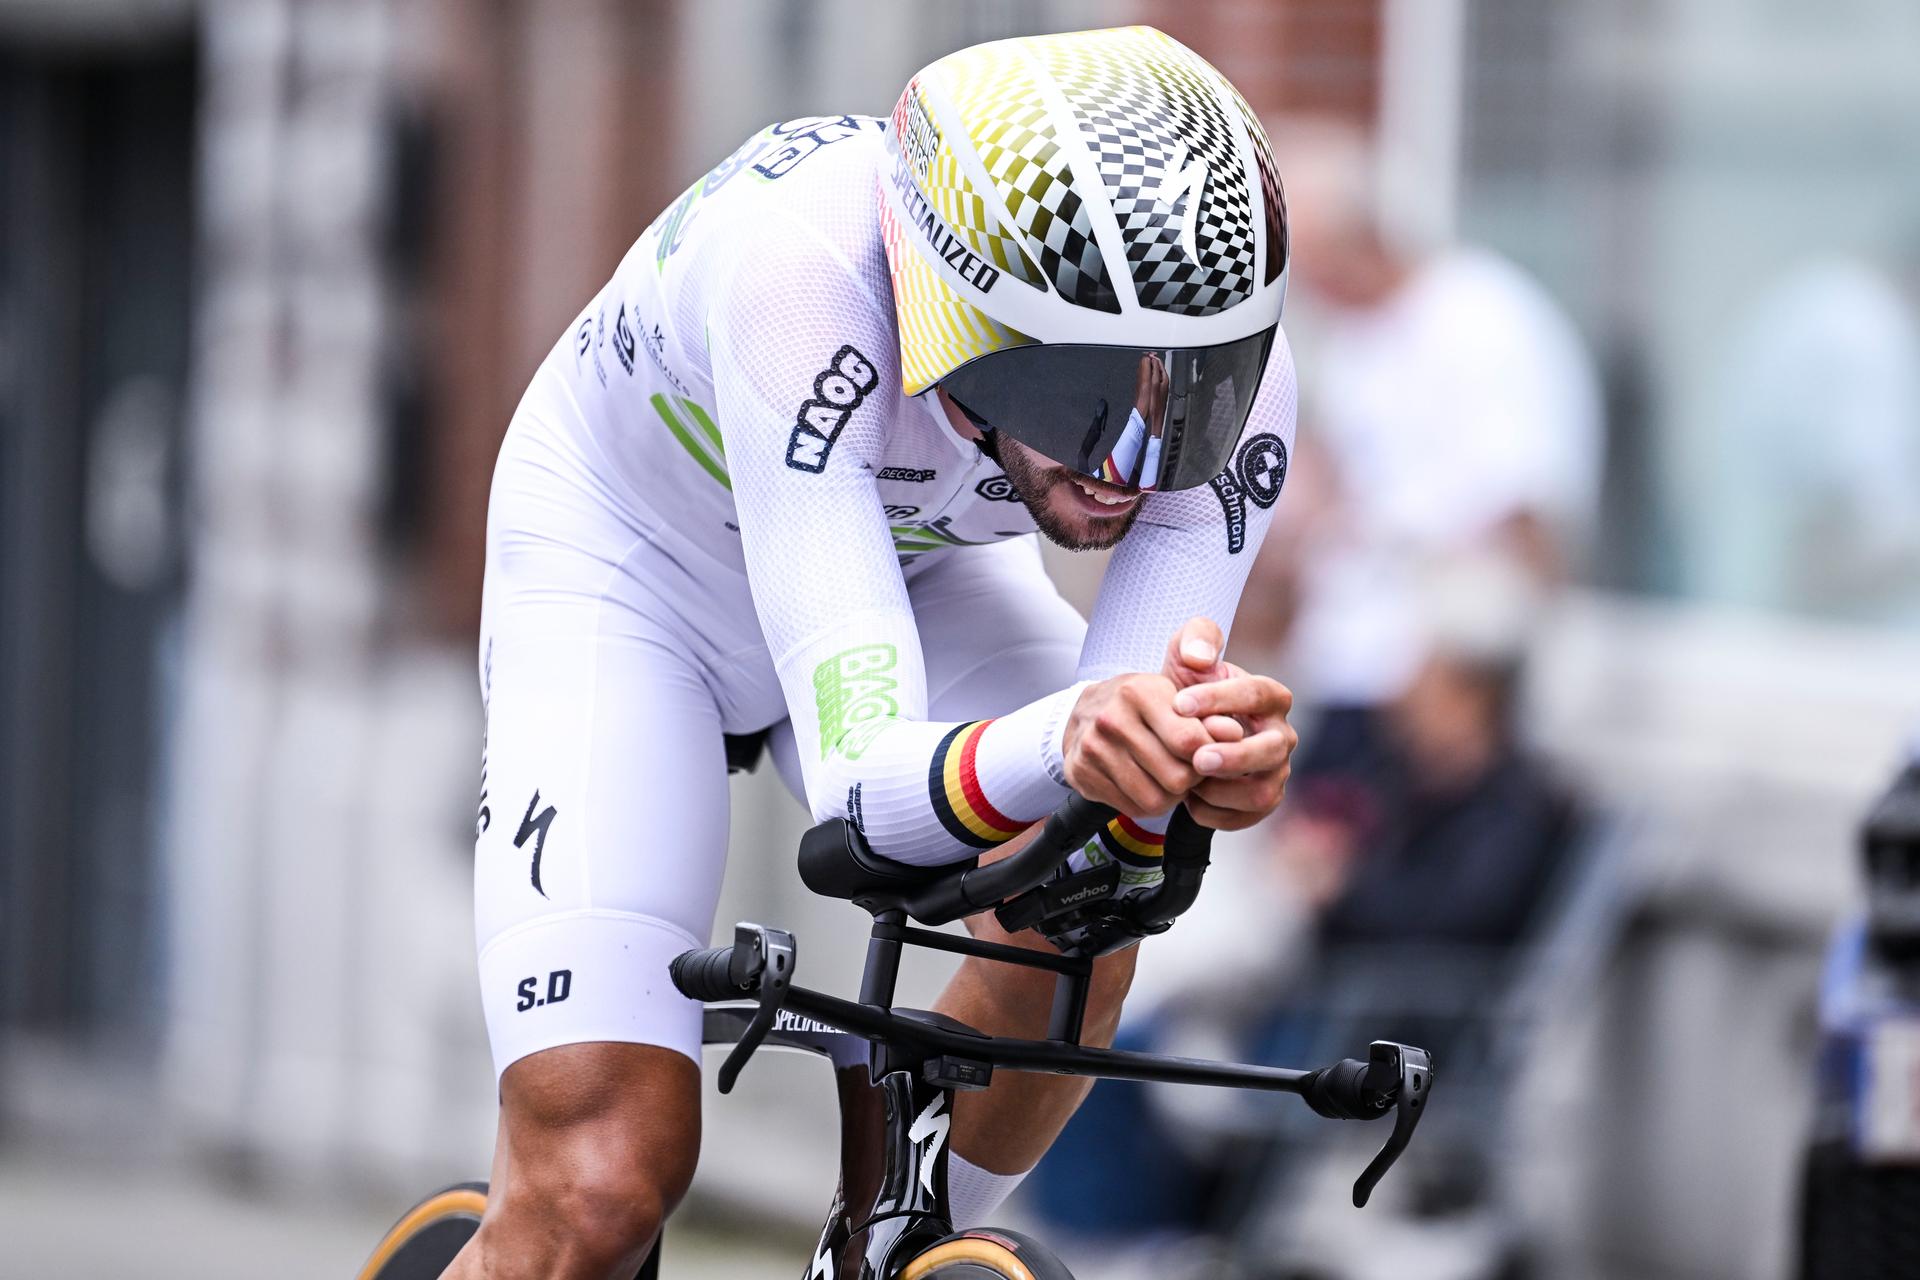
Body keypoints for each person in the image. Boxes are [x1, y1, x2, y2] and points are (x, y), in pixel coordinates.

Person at [455, 27, 1300, 1279]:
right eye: (1085, 395)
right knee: (598, 1183)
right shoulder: (803, 276)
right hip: (633, 573)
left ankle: (885, 1248)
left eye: (1194, 392)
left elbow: (1114, 755)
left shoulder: (1242, 384)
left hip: (910, 569)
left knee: (1089, 892)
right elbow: (868, 799)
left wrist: (1178, 778)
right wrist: (1082, 738)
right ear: (951, 316)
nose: (1136, 461)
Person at [1249, 118, 1601, 767]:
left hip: (1435, 690)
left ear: (1360, 241)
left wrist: (1471, 692)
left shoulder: (1482, 320)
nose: (1304, 290)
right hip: (1348, 668)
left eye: (1313, 266)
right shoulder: (1351, 339)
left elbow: (1523, 516)